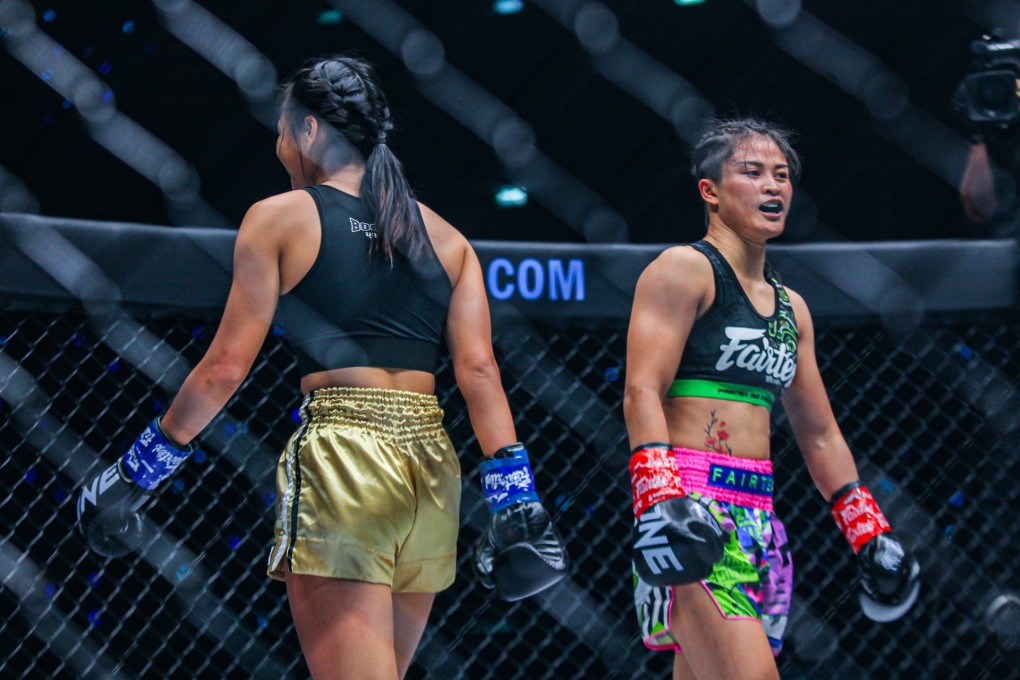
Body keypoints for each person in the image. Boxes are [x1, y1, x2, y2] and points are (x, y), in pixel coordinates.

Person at [75, 55, 568, 680]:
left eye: (283, 131)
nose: (280, 147)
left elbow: (225, 367)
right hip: (433, 470)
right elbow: (479, 374)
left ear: (309, 131)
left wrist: (138, 471)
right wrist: (516, 500)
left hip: (347, 457)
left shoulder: (280, 217)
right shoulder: (450, 240)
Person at [623, 118, 920, 680]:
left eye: (782, 176)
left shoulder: (792, 309)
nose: (773, 187)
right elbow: (642, 388)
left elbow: (819, 434)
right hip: (692, 505)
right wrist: (660, 499)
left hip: (761, 519)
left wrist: (868, 529)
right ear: (709, 191)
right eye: (753, 172)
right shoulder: (684, 269)